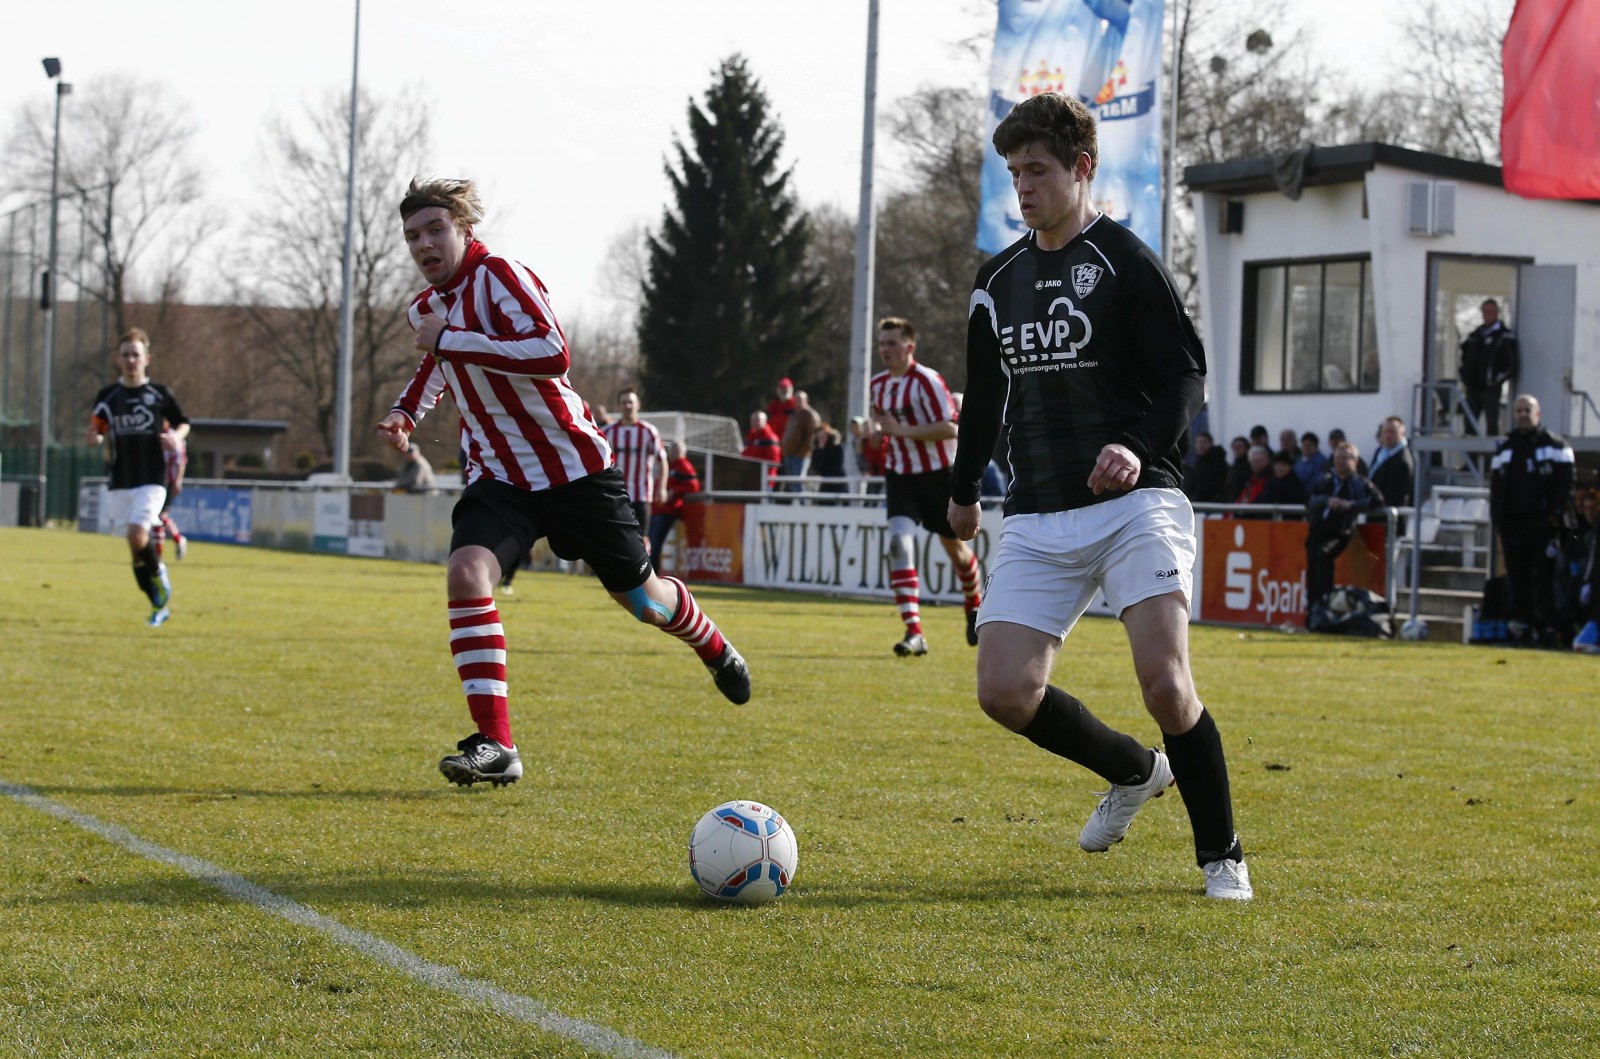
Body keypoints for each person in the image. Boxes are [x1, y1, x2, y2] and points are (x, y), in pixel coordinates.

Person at [948, 92, 1251, 900]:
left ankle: (1221, 852)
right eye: (1014, 173)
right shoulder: (997, 280)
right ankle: (1134, 770)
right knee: (1004, 690)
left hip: (1136, 503)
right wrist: (964, 491)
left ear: (1083, 168)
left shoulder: (1125, 260)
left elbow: (1187, 377)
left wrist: (1136, 445)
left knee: (1166, 682)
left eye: (1038, 170)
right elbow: (983, 397)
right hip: (1040, 511)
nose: (1024, 188)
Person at [375, 177, 750, 788]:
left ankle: (712, 645)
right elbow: (437, 362)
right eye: (413, 235)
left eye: (435, 229)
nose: (424, 244)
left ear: (465, 227)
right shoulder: (426, 308)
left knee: (646, 603)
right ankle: (497, 746)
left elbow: (552, 352)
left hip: (575, 471)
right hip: (501, 477)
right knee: (467, 573)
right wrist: (406, 412)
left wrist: (451, 339)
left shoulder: (501, 275)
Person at [869, 315, 985, 655]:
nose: (884, 349)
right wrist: (876, 436)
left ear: (909, 346)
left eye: (891, 343)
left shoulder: (928, 381)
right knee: (899, 545)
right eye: (881, 343)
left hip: (938, 476)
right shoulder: (878, 384)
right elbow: (886, 427)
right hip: (900, 476)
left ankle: (973, 603)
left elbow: (952, 429)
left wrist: (902, 432)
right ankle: (914, 633)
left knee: (958, 552)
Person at [87, 328, 191, 627]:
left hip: (152, 477)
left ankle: (159, 577)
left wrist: (176, 437)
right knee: (135, 550)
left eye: (136, 354)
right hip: (121, 479)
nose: (131, 359)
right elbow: (97, 430)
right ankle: (157, 603)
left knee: (137, 534)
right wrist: (94, 438)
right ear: (118, 360)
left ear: (147, 358)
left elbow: (184, 422)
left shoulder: (160, 393)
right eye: (126, 354)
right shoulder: (108, 396)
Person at [1489, 394, 1575, 647]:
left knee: (1544, 578)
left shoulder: (1556, 446)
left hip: (1543, 524)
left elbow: (1565, 485)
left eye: (1528, 410)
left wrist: (1555, 515)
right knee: (1517, 578)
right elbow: (1496, 488)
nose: (1523, 415)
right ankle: (1521, 626)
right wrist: (1498, 520)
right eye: (1519, 411)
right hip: (1513, 525)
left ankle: (1547, 627)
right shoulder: (1506, 448)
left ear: (1538, 414)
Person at [1304, 441, 1383, 614]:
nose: (1340, 462)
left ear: (1354, 461)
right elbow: (1309, 500)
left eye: (1345, 458)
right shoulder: (1325, 480)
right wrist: (1327, 501)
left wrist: (1351, 505)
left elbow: (1377, 501)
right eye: (1337, 458)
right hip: (1317, 531)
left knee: (1324, 560)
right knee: (1313, 568)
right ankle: (1313, 611)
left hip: (1339, 531)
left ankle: (1326, 606)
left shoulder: (1360, 484)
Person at [599, 387, 667, 546]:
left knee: (642, 539)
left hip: (642, 495)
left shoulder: (648, 431)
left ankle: (644, 571)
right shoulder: (608, 432)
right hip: (615, 494)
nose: (627, 406)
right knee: (615, 537)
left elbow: (662, 460)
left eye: (631, 402)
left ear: (638, 405)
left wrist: (662, 487)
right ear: (619, 406)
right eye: (624, 402)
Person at [1460, 299, 1519, 436]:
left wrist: (1494, 380)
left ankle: (1491, 457)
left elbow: (1511, 364)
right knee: (1469, 424)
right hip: (1472, 387)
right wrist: (1465, 376)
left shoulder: (1504, 336)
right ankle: (1471, 456)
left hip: (1491, 389)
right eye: (1486, 311)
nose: (1488, 314)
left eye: (1491, 311)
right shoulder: (1474, 336)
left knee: (1492, 425)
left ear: (1497, 312)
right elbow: (1464, 357)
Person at [648, 440, 700, 570]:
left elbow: (693, 485)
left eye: (676, 450)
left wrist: (674, 492)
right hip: (657, 509)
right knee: (649, 544)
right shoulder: (670, 466)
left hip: (667, 511)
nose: (673, 452)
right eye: (672, 449)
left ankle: (652, 576)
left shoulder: (683, 466)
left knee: (654, 545)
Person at [1367, 415, 1415, 510]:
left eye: (1392, 432)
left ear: (1402, 434)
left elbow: (1392, 496)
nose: (1388, 435)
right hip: (1375, 513)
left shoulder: (1402, 461)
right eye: (1386, 431)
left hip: (1389, 516)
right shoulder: (1381, 451)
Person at [779, 389, 821, 491]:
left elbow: (811, 437)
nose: (797, 402)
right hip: (790, 453)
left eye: (800, 400)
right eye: (796, 400)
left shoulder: (809, 415)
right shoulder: (794, 415)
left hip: (801, 455)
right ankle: (798, 504)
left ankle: (803, 505)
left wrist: (801, 452)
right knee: (792, 483)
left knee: (798, 482)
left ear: (806, 400)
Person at [1180, 431, 1228, 504]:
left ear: (1211, 443)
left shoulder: (1218, 462)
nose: (1200, 446)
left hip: (1214, 504)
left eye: (1203, 442)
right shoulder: (1198, 463)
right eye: (1198, 443)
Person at [741, 410, 781, 486]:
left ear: (765, 421)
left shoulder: (770, 438)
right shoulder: (750, 437)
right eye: (753, 420)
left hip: (764, 479)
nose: (755, 422)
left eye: (758, 420)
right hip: (750, 478)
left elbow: (774, 462)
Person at [812, 423, 848, 495]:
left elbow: (838, 465)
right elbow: (816, 467)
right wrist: (820, 452)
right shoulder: (817, 450)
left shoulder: (837, 448)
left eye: (823, 436)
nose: (821, 439)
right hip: (825, 482)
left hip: (838, 482)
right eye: (819, 437)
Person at [1221, 435, 1252, 503]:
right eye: (1234, 448)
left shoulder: (1250, 466)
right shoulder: (1232, 468)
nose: (1236, 450)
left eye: (1239, 447)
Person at [766, 377, 796, 443]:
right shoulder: (774, 405)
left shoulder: (796, 405)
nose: (783, 391)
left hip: (790, 442)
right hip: (776, 441)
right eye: (781, 389)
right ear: (777, 390)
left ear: (791, 389)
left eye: (786, 389)